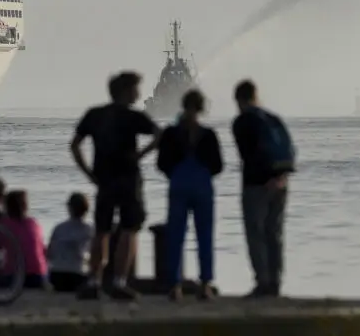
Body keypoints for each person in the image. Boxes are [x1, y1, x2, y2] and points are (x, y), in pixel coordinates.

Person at [70, 71, 160, 301]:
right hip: (129, 179)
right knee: (129, 231)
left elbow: (75, 145)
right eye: (135, 89)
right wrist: (140, 155)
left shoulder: (95, 115)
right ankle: (120, 281)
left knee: (101, 231)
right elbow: (160, 136)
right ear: (125, 91)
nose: (138, 94)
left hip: (104, 180)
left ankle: (94, 281)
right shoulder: (134, 117)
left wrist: (88, 172)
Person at [157, 89, 223, 301]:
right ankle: (205, 284)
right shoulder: (209, 135)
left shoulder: (170, 133)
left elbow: (161, 163)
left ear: (183, 106)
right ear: (201, 108)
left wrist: (174, 173)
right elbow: (218, 165)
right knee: (205, 235)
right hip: (203, 185)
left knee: (175, 236)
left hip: (178, 183)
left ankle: (174, 285)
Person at [232, 79, 296, 298]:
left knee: (256, 233)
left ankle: (263, 282)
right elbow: (290, 148)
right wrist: (280, 176)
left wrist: (264, 177)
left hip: (256, 184)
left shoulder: (242, 122)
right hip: (282, 183)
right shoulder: (274, 119)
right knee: (275, 233)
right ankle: (276, 281)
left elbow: (247, 154)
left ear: (239, 100)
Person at [46, 193, 93, 293]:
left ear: (69, 208)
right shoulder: (89, 230)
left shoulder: (59, 228)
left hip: (56, 275)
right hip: (77, 275)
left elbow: (49, 253)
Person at [2, 190, 47, 289]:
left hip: (13, 276)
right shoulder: (34, 223)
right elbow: (43, 251)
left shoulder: (3, 225)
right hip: (38, 275)